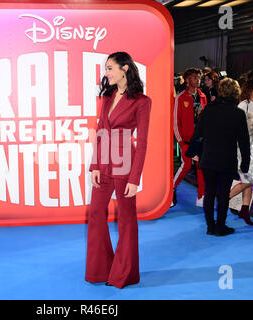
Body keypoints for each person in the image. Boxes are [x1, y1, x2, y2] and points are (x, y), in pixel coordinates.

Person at [85, 52, 151, 289]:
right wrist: (94, 165)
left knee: (126, 220)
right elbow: (101, 131)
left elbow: (142, 143)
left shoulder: (142, 102)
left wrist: (135, 177)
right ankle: (100, 269)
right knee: (95, 214)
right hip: (103, 164)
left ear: (125, 68)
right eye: (106, 69)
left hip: (125, 164)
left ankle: (125, 273)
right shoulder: (107, 96)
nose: (106, 73)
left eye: (110, 68)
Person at [188, 78, 250, 236]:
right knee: (223, 195)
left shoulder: (208, 109)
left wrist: (194, 153)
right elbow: (244, 141)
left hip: (208, 158)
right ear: (237, 92)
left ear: (220, 91)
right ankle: (221, 227)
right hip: (227, 159)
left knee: (209, 193)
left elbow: (197, 134)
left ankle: (210, 226)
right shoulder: (238, 113)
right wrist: (246, 163)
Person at [228, 77, 253, 226]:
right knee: (249, 180)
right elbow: (236, 127)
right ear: (249, 89)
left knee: (248, 180)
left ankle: (245, 211)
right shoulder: (243, 105)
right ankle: (222, 199)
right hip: (244, 149)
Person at [173, 68, 207, 207]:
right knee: (186, 165)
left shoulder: (203, 97)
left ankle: (201, 196)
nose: (198, 80)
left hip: (201, 140)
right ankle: (171, 189)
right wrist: (180, 142)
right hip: (186, 140)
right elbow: (176, 122)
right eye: (194, 77)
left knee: (201, 168)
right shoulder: (180, 97)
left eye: (199, 77)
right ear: (187, 80)